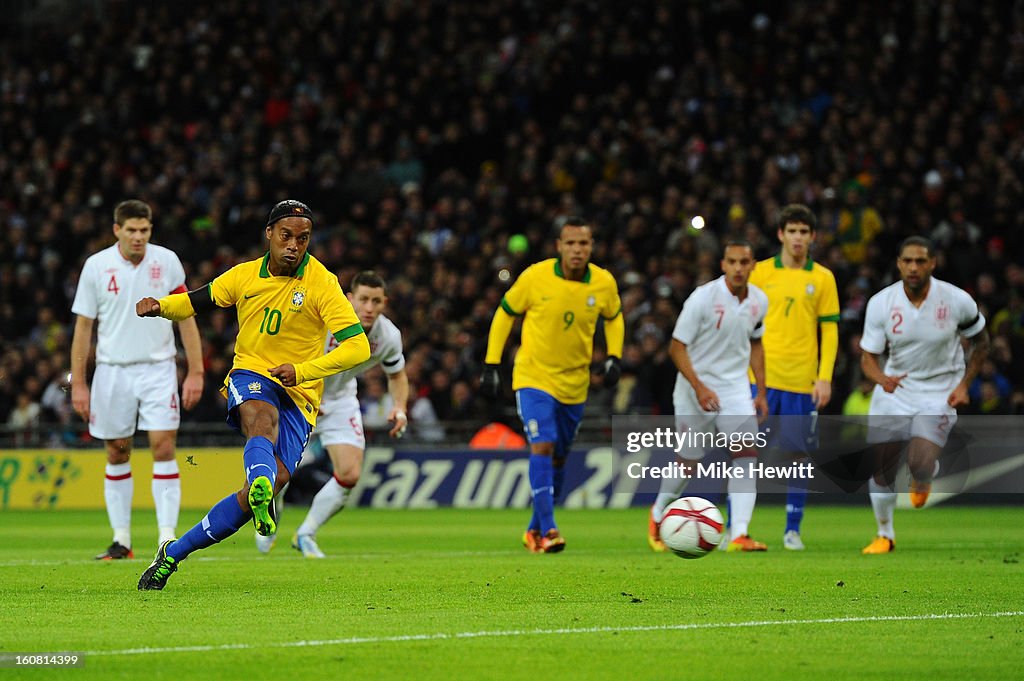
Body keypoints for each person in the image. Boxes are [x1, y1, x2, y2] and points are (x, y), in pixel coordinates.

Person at [135, 200, 370, 589]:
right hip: (252, 372)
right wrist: (160, 306)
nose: (294, 245)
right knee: (262, 419)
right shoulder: (244, 277)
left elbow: (358, 347)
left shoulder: (322, 282)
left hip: (301, 392)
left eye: (303, 238)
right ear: (269, 235)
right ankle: (261, 482)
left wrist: (304, 370)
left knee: (272, 481)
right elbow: (197, 300)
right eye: (286, 236)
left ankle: (173, 554)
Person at [70, 199, 204, 560]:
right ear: (117, 230)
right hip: (113, 370)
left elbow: (186, 316)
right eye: (131, 230)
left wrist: (196, 370)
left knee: (163, 446)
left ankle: (166, 538)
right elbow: (84, 327)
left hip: (158, 368)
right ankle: (122, 540)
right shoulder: (96, 267)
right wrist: (80, 383)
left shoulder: (167, 262)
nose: (139, 237)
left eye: (144, 230)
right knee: (117, 451)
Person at [481, 217, 623, 554]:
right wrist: (491, 362)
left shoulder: (603, 283)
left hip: (575, 383)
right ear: (559, 246)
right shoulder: (535, 276)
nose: (577, 249)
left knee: (558, 458)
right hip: (534, 377)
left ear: (591, 247)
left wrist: (615, 356)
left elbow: (614, 316)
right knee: (542, 445)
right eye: (570, 243)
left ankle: (533, 530)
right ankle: (549, 529)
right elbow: (505, 313)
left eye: (583, 243)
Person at [262, 270, 409, 558]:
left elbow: (397, 374)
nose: (369, 308)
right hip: (299, 394)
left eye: (376, 301)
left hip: (339, 400)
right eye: (363, 299)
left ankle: (306, 533)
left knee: (350, 474)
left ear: (384, 303)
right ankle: (273, 511)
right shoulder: (324, 317)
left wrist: (400, 407)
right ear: (349, 298)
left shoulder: (388, 336)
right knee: (279, 474)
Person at [859, 236, 988, 554]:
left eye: (920, 261)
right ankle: (884, 535)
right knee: (883, 465)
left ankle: (924, 475)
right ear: (899, 264)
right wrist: (881, 379)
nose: (913, 267)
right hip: (896, 390)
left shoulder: (957, 300)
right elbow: (868, 358)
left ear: (932, 263)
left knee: (919, 461)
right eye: (908, 261)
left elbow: (981, 342)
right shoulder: (881, 303)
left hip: (940, 392)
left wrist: (963, 385)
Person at [648, 240, 770, 552]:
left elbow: (756, 343)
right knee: (689, 462)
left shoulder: (759, 301)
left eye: (744, 262)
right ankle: (659, 512)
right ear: (723, 265)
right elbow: (676, 347)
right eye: (733, 262)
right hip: (693, 386)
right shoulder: (702, 298)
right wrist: (700, 387)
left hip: (734, 388)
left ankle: (739, 534)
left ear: (753, 264)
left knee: (746, 455)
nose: (739, 268)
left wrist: (761, 392)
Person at [743, 204, 840, 550]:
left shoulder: (823, 278)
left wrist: (824, 376)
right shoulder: (760, 273)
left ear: (812, 237)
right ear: (781, 234)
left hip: (802, 382)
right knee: (745, 453)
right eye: (792, 231)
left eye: (804, 232)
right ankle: (738, 528)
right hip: (760, 381)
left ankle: (792, 529)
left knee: (797, 458)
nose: (798, 238)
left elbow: (829, 331)